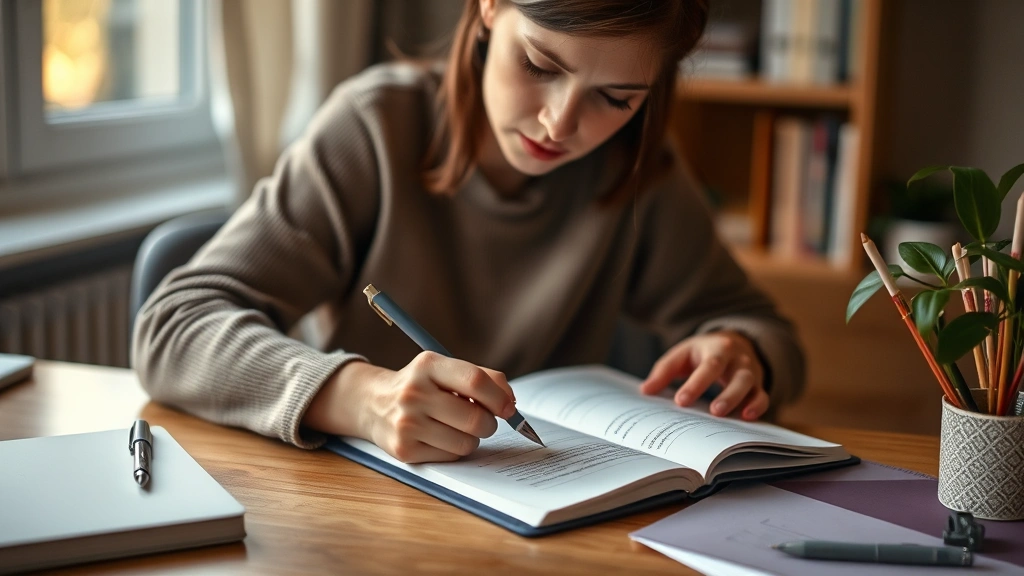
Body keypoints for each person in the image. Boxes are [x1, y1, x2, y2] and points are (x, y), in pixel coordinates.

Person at [132, 0, 805, 464]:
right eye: (540, 65)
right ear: (489, 7)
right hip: (361, 512)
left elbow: (761, 328)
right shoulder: (375, 129)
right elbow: (173, 326)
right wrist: (361, 398)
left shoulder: (639, 173)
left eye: (616, 98)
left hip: (550, 514)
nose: (559, 124)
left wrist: (739, 349)